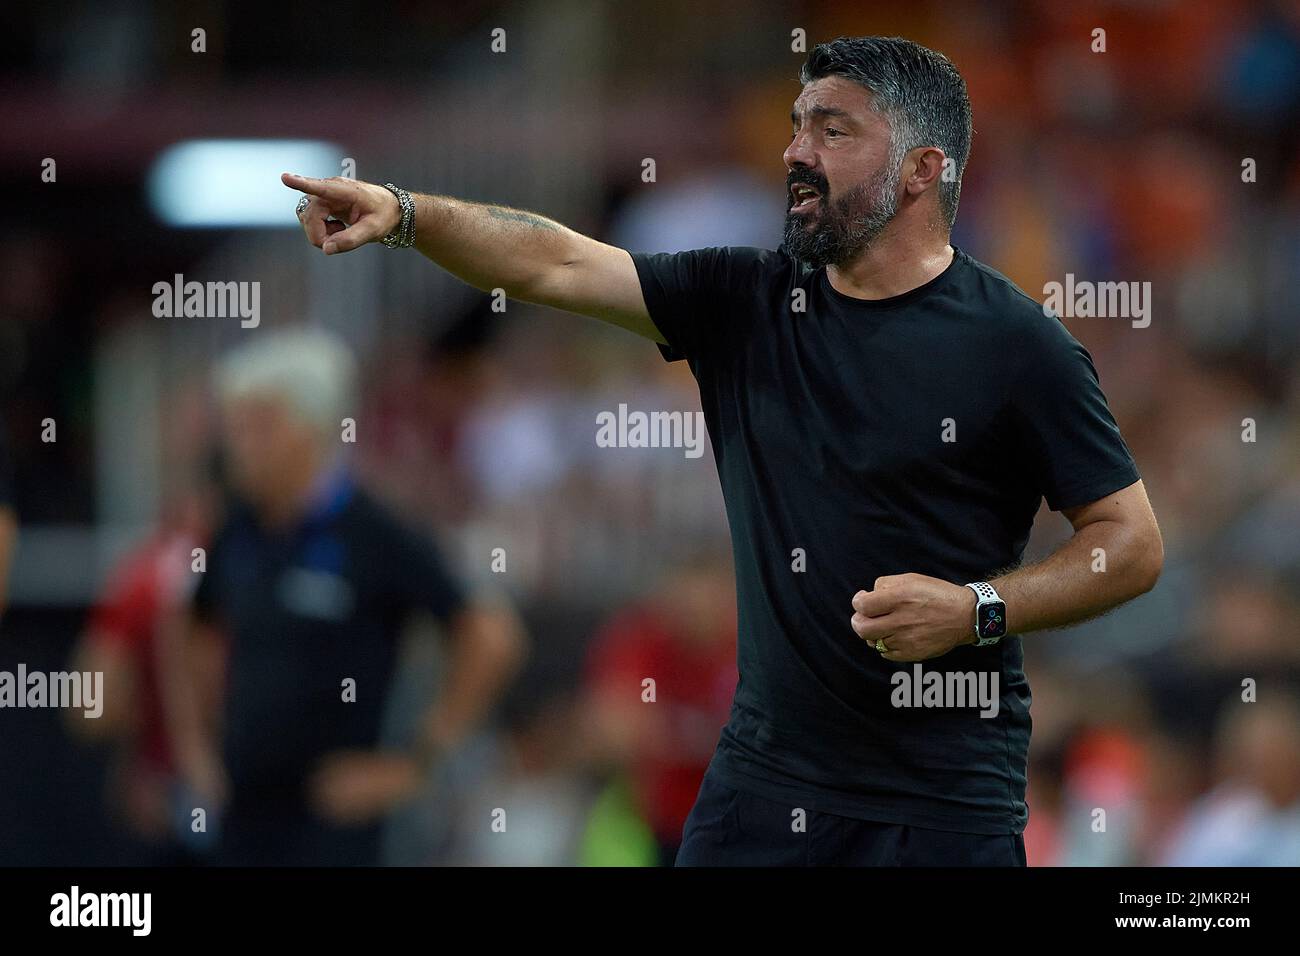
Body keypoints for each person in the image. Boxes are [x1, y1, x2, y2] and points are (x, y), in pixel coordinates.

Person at [282, 35, 1163, 866]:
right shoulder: (748, 300)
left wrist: (977, 609)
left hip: (940, 806)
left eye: (833, 128)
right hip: (763, 788)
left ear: (922, 171)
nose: (794, 152)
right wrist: (404, 213)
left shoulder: (1018, 345)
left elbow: (1130, 543)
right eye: (796, 125)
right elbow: (552, 265)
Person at [169, 328, 525, 866]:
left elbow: (493, 637)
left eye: (256, 426)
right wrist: (196, 750)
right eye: (235, 426)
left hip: (336, 824)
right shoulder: (234, 528)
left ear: (307, 430)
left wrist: (415, 764)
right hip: (242, 815)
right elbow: (192, 628)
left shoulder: (375, 532)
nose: (237, 445)